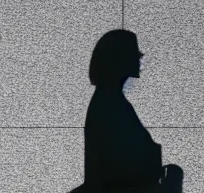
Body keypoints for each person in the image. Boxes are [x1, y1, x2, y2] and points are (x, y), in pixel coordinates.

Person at [69, 30, 183, 193]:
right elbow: (120, 162)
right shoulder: (109, 102)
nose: (140, 57)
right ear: (120, 57)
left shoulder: (111, 100)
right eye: (135, 52)